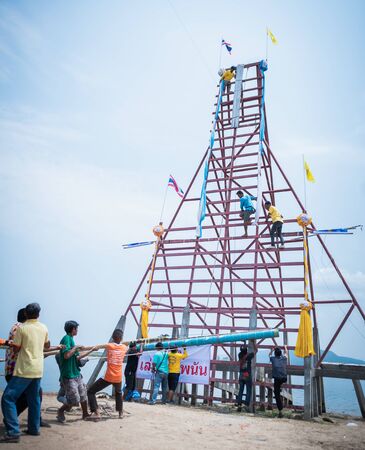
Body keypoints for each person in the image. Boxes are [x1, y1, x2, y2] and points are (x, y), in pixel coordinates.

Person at [1, 303, 50, 443]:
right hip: (38, 369)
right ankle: (34, 429)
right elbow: (47, 345)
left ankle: (13, 432)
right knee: (34, 399)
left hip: (24, 369)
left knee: (8, 399)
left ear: (26, 314)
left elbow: (16, 349)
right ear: (38, 314)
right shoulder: (43, 327)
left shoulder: (22, 328)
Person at [87, 329, 128, 420]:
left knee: (91, 391)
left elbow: (98, 346)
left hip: (108, 376)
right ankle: (120, 413)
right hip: (118, 377)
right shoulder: (124, 347)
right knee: (118, 393)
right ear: (121, 338)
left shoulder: (109, 346)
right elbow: (126, 345)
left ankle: (96, 412)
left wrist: (93, 348)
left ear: (113, 338)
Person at [56, 320, 92, 423]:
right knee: (74, 399)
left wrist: (90, 351)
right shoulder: (66, 339)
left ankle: (85, 414)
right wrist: (76, 347)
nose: (77, 330)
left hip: (76, 373)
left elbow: (77, 358)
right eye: (76, 328)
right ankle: (60, 411)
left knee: (83, 394)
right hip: (68, 375)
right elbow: (67, 355)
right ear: (73, 329)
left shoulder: (71, 339)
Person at [269, 346, 288, 418]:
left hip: (277, 378)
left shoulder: (273, 359)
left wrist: (272, 349)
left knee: (276, 394)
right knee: (278, 386)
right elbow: (286, 353)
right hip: (284, 378)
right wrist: (285, 347)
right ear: (280, 353)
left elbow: (269, 355)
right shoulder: (284, 358)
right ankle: (279, 388)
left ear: (275, 353)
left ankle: (280, 410)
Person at [236, 345, 256, 411]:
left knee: (241, 390)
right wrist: (254, 344)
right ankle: (246, 404)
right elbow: (256, 351)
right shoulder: (249, 356)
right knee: (248, 390)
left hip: (241, 374)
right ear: (246, 350)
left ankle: (239, 404)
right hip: (247, 374)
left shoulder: (239, 355)